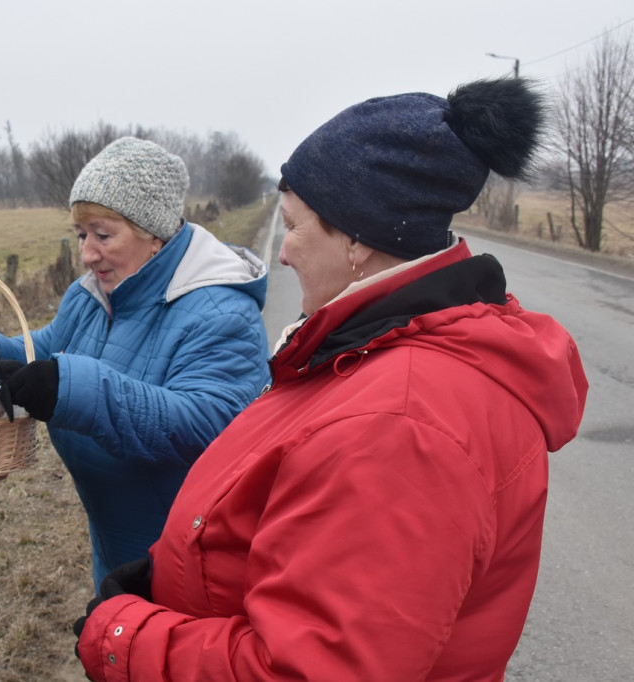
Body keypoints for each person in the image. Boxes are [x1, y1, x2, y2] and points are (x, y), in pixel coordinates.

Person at [72, 78, 589, 681]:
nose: (284, 254)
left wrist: (124, 636)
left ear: (357, 241)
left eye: (293, 226)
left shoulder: (398, 427)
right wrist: (170, 576)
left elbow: (311, 669)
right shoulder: (379, 352)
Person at [0, 136, 271, 589]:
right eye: (81, 235)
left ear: (155, 233)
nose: (87, 253)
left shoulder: (221, 313)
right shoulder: (91, 294)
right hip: (115, 552)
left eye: (103, 235)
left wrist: (71, 387)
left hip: (191, 567)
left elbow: (208, 426)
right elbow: (49, 349)